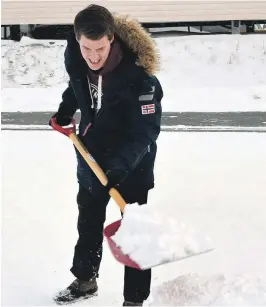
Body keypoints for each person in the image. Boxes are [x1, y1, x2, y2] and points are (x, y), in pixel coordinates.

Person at [49, 4, 163, 306]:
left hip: (133, 162)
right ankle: (85, 280)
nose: (94, 56)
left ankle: (134, 299)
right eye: (87, 48)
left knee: (135, 228)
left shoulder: (140, 78)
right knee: (88, 220)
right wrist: (65, 110)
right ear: (77, 39)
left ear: (111, 38)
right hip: (91, 155)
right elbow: (79, 86)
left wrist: (119, 169)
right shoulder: (76, 55)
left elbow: (145, 132)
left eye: (99, 48)